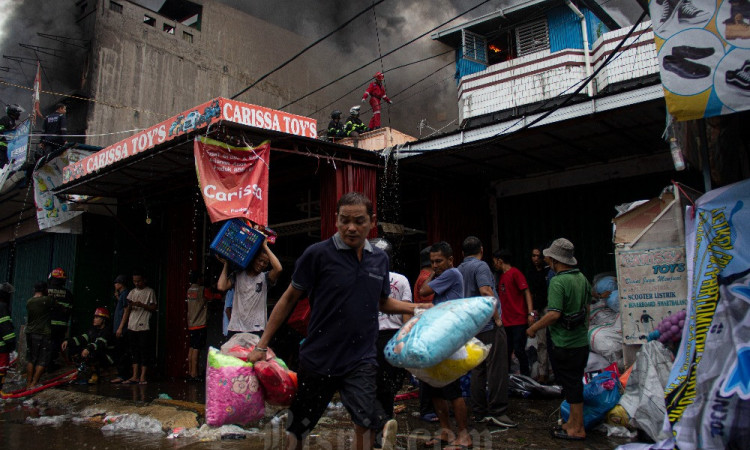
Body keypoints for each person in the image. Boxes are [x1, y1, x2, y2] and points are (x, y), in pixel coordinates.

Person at [246, 192, 423, 450]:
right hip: (319, 358)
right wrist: (262, 346)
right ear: (336, 220)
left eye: (359, 221)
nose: (351, 227)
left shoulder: (379, 260)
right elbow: (287, 299)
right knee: (300, 426)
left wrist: (417, 307)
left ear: (371, 221)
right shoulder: (317, 255)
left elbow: (381, 301)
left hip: (361, 358)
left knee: (366, 422)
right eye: (344, 220)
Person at [527, 238, 591, 440]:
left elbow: (554, 313)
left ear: (556, 261)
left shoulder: (558, 281)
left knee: (571, 384)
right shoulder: (582, 278)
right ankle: (573, 422)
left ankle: (577, 428)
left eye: (550, 259)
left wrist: (533, 328)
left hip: (565, 342)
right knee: (575, 383)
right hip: (581, 341)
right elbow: (587, 309)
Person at [419, 241, 472, 450]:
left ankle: (464, 435)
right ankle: (445, 432)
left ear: (451, 260)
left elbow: (423, 290)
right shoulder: (445, 276)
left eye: (439, 261)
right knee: (435, 389)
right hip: (439, 337)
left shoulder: (451, 274)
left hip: (449, 339)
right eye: (432, 262)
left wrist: (433, 275)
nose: (435, 265)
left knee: (452, 390)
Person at [457, 236, 516, 428]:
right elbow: (485, 291)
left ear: (462, 252)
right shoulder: (480, 267)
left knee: (478, 370)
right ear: (481, 249)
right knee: (496, 368)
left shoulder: (459, 269)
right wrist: (497, 318)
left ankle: (479, 411)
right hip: (487, 325)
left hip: (471, 326)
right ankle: (498, 411)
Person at [369, 237, 413, 448]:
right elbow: (406, 315)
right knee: (389, 388)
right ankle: (384, 427)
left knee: (371, 387)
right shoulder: (402, 280)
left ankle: (382, 428)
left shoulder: (365, 277)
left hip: (371, 339)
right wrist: (404, 342)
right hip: (395, 338)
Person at [217, 239, 282, 339]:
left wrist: (265, 246)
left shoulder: (265, 278)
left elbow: (278, 269)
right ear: (253, 259)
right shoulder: (238, 275)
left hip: (257, 329)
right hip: (236, 328)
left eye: (265, 263)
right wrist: (226, 264)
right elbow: (221, 286)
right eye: (260, 260)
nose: (262, 264)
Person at [493, 249, 534, 376]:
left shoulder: (515, 273)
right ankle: (507, 379)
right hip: (506, 321)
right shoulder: (501, 277)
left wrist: (530, 313)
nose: (494, 265)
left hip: (518, 320)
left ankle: (526, 378)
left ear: (500, 261)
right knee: (507, 350)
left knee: (519, 350)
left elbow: (526, 292)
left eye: (495, 262)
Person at [412, 245, 437, 422]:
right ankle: (427, 408)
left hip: (422, 327)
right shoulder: (427, 279)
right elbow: (431, 305)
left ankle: (429, 407)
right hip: (428, 327)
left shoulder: (421, 277)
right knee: (429, 371)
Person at [118, 271, 157, 384]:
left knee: (144, 351)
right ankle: (134, 375)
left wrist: (142, 305)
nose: (136, 283)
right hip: (132, 324)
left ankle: (143, 376)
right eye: (134, 281)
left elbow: (154, 307)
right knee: (134, 351)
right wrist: (121, 326)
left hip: (144, 325)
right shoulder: (132, 292)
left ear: (143, 280)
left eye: (138, 281)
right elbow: (127, 310)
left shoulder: (150, 291)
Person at [62, 307, 113, 384]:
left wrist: (88, 349)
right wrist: (68, 342)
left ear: (103, 319)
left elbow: (100, 344)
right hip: (98, 353)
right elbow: (83, 338)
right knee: (78, 353)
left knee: (92, 354)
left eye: (97, 317)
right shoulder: (93, 330)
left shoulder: (107, 331)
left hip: (108, 357)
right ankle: (89, 372)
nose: (94, 319)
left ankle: (96, 374)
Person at [526, 246, 552, 383]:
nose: (536, 259)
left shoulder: (549, 272)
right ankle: (543, 373)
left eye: (538, 256)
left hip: (549, 307)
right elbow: (528, 292)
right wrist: (531, 312)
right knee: (541, 341)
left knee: (551, 340)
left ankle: (552, 372)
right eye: (533, 256)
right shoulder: (530, 273)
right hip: (537, 308)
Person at [26, 282, 55, 388]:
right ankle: (34, 382)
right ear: (44, 290)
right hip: (43, 333)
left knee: (31, 358)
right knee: (42, 359)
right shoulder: (47, 300)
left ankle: (28, 382)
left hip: (30, 332)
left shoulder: (29, 302)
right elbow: (56, 305)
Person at [186, 272, 213, 381]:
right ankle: (194, 374)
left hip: (191, 323)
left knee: (192, 348)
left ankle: (190, 371)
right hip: (200, 324)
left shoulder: (189, 290)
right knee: (197, 349)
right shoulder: (202, 290)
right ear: (198, 279)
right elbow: (211, 297)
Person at [46, 268, 73, 369]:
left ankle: (44, 365)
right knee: (55, 345)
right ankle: (50, 363)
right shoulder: (68, 293)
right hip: (61, 325)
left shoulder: (46, 291)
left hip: (46, 324)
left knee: (45, 345)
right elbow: (69, 311)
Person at [110, 274, 131, 384]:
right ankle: (122, 374)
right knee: (120, 352)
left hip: (121, 328)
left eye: (116, 283)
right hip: (119, 327)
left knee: (121, 352)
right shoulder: (122, 295)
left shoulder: (125, 294)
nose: (115, 285)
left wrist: (120, 327)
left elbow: (126, 310)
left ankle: (123, 375)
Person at [0, 282, 16, 391]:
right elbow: (5, 327)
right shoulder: (2, 307)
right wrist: (11, 344)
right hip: (1, 348)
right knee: (1, 370)